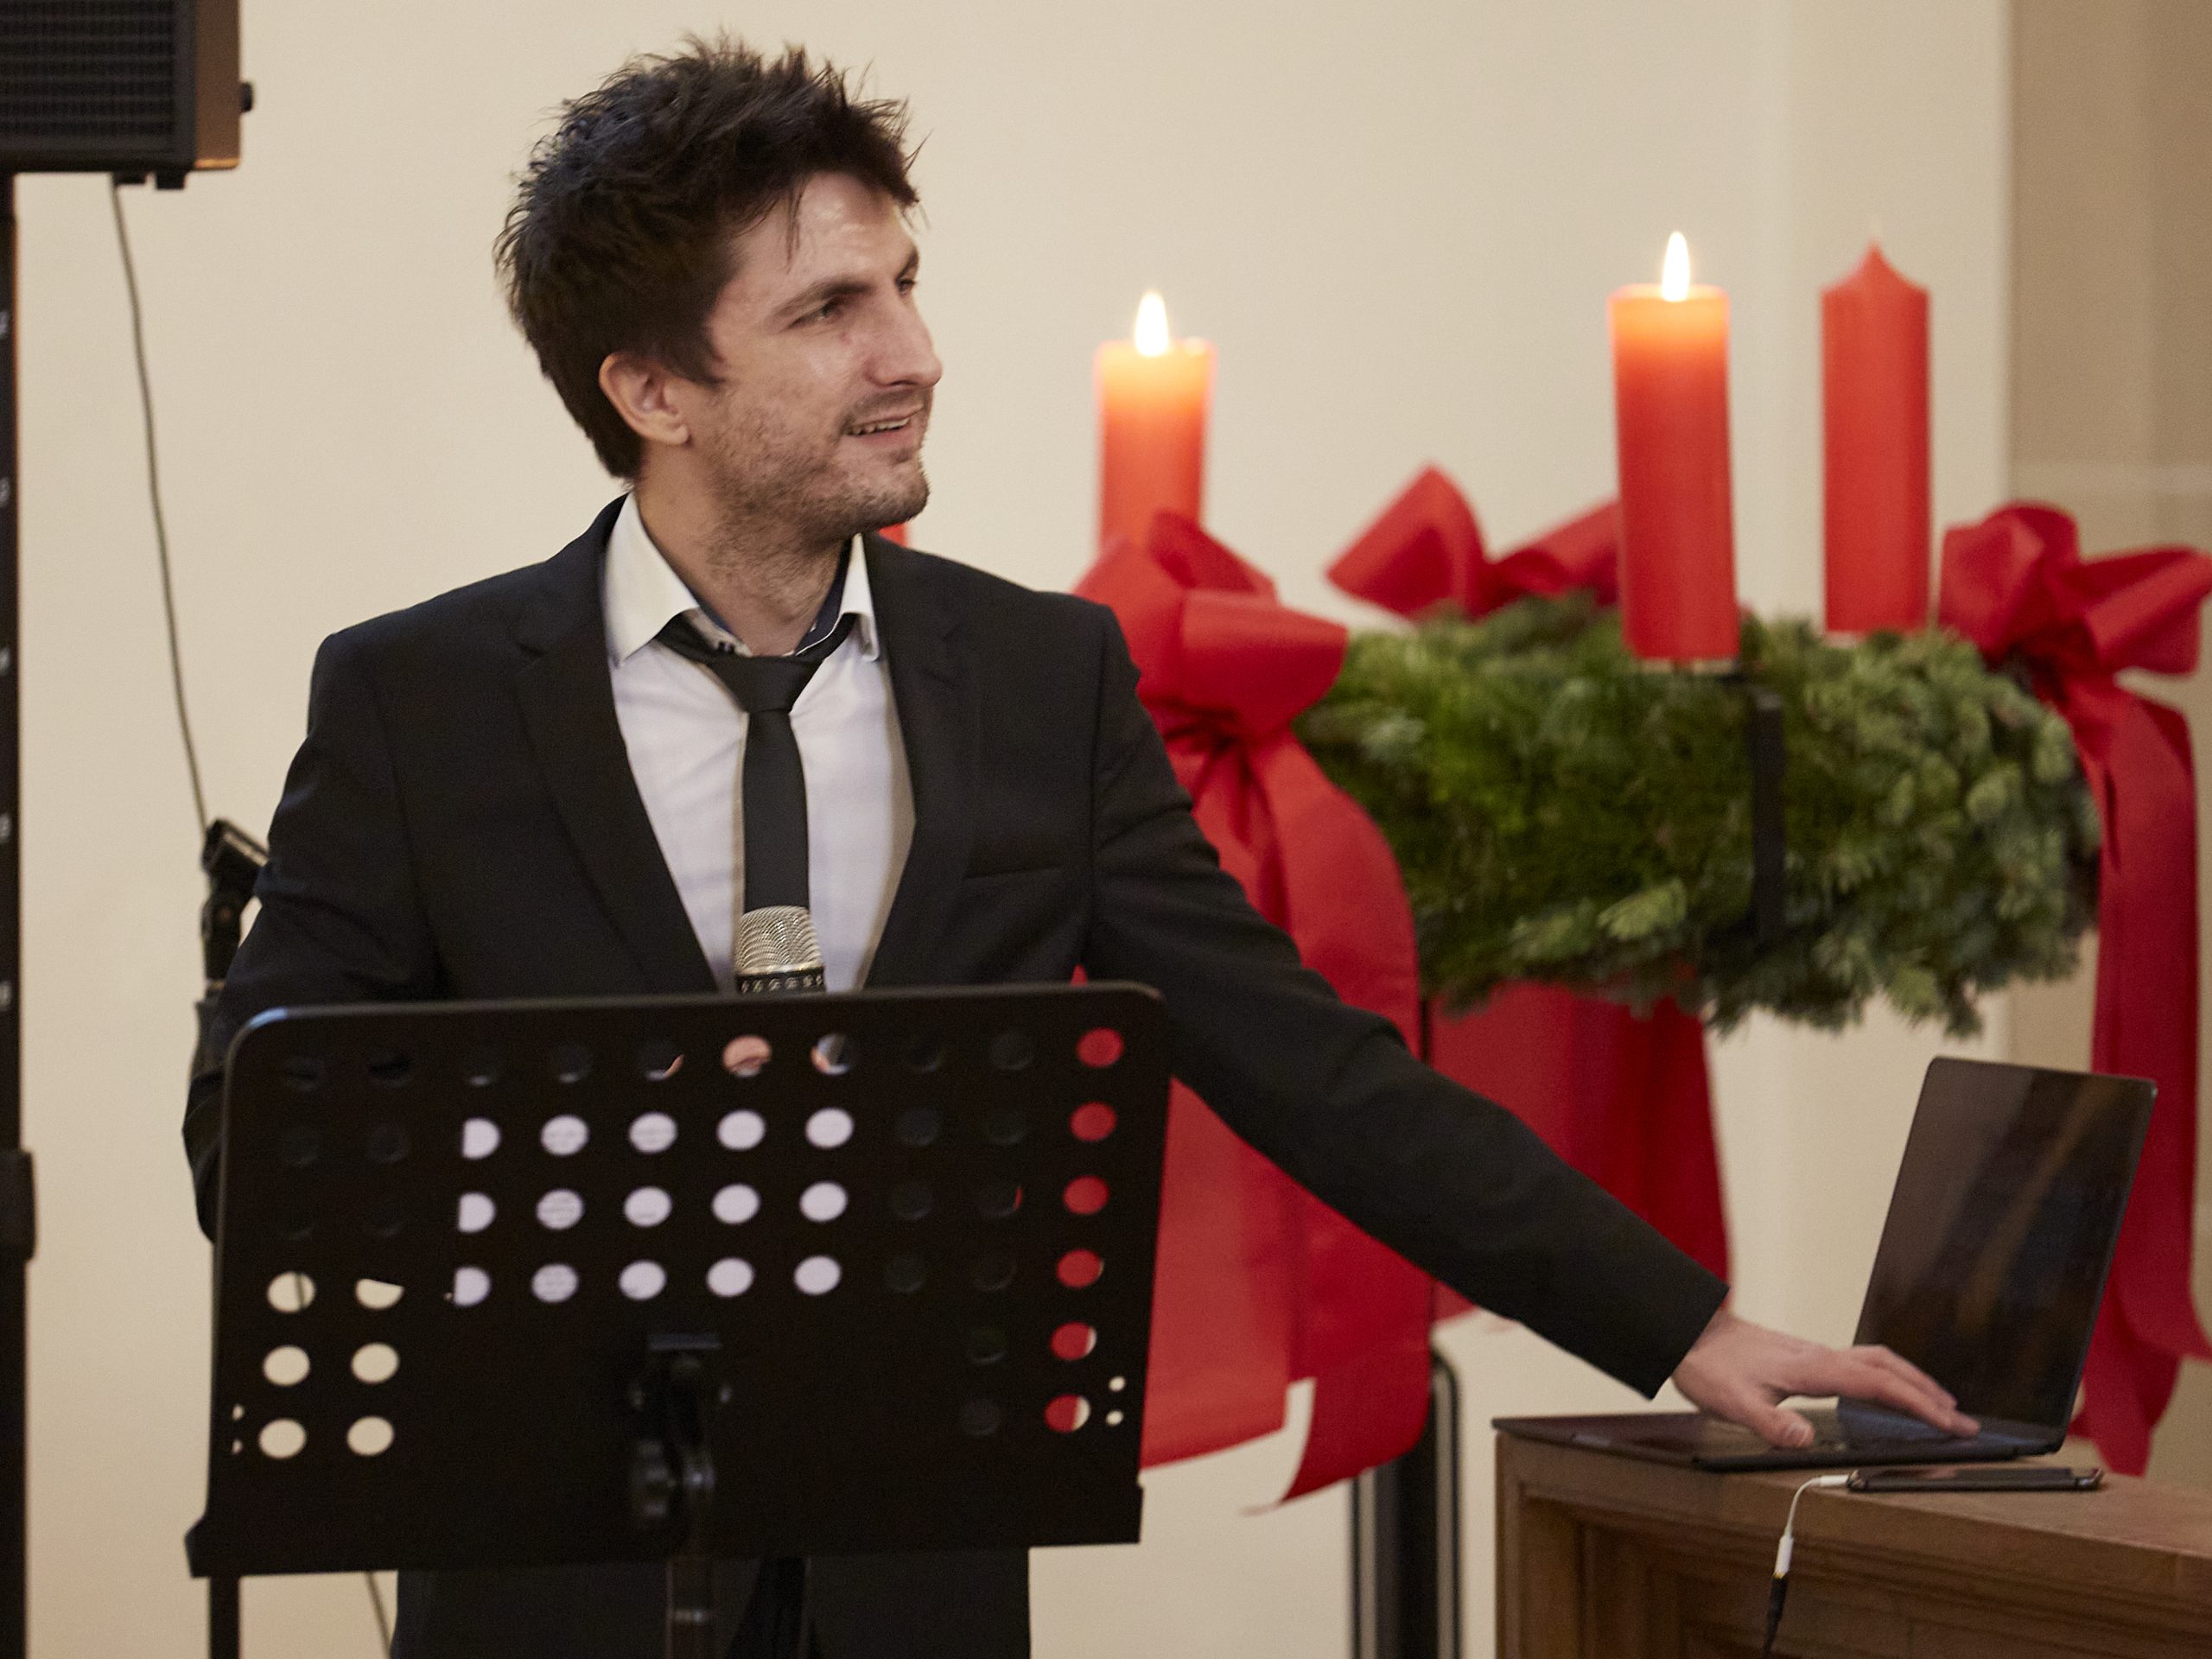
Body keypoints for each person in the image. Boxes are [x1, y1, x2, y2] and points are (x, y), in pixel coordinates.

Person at [183, 37, 1973, 1659]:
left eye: (904, 285)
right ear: (654, 389)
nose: (912, 355)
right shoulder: (420, 700)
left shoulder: (1045, 680)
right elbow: (248, 1131)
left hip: (919, 1574)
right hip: (547, 1581)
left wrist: (1679, 1326)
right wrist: (624, 1131)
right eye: (828, 311)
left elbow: (1311, 1066)